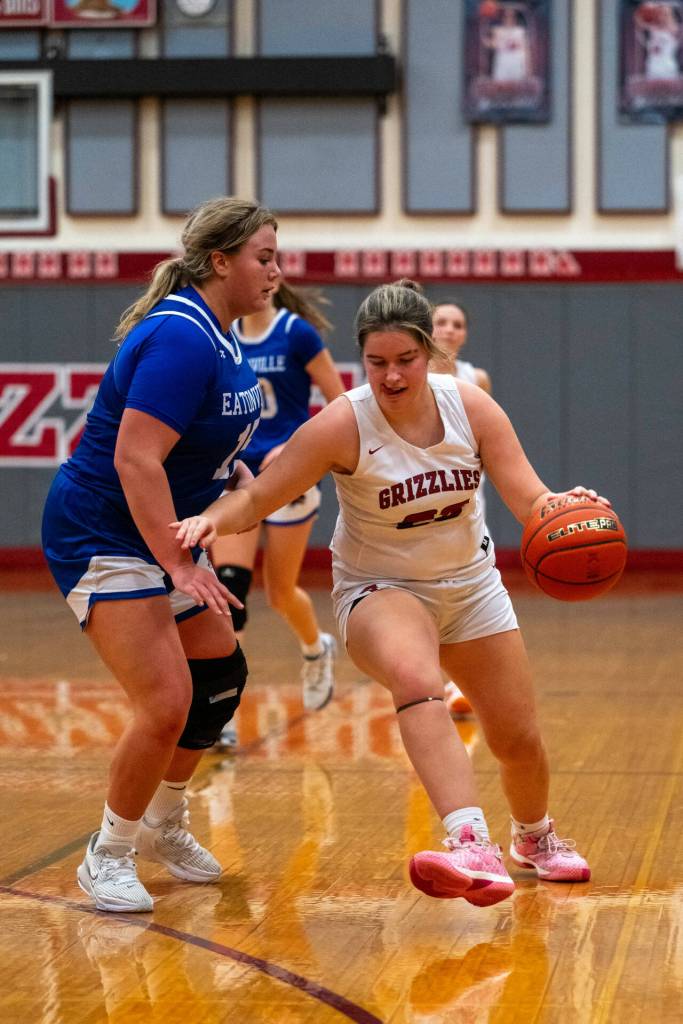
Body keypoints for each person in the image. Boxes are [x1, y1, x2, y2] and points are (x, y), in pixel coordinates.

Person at [172, 279, 607, 908]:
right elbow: (261, 495)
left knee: (517, 738)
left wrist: (565, 508)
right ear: (362, 358)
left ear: (429, 352)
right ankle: (470, 845)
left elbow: (530, 497)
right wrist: (211, 519)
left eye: (405, 360)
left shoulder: (471, 407)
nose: (392, 376)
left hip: (470, 586)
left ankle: (534, 838)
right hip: (380, 588)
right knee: (416, 677)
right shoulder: (342, 424)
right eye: (377, 362)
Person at [41, 196, 280, 913]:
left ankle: (162, 823)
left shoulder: (223, 334)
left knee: (219, 678)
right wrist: (179, 566)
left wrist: (234, 477)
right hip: (103, 532)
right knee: (166, 701)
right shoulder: (181, 336)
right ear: (220, 262)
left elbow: (200, 438)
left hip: (160, 530)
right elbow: (134, 458)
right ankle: (107, 854)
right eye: (264, 257)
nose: (276, 271)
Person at [211, 281, 345, 749]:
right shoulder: (220, 335)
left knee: (280, 593)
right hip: (237, 476)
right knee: (229, 591)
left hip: (289, 474)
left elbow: (341, 405)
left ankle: (315, 648)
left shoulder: (297, 333)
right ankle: (223, 714)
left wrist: (294, 447)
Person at [430, 299, 490, 719]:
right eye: (442, 322)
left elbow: (485, 439)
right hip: (422, 498)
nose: (449, 329)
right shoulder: (413, 378)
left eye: (457, 324)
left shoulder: (476, 378)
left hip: (467, 500)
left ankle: (456, 682)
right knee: (426, 594)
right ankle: (436, 683)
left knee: (463, 596)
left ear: (465, 334)